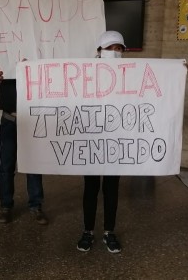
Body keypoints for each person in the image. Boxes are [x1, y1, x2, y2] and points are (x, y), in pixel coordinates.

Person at [76, 31, 125, 254]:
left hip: (115, 141)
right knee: (91, 187)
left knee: (112, 188)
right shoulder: (84, 74)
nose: (115, 53)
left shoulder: (129, 74)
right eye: (110, 48)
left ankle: (109, 232)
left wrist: (177, 75)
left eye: (119, 49)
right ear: (99, 51)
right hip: (93, 141)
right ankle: (87, 231)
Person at [0, 76, 48, 225]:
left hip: (31, 119)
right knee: (6, 166)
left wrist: (31, 68)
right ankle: (5, 206)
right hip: (9, 119)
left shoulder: (33, 61)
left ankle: (36, 205)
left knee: (33, 165)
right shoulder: (2, 63)